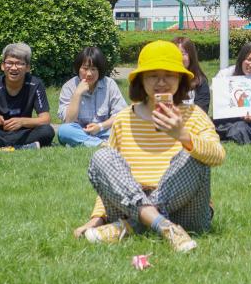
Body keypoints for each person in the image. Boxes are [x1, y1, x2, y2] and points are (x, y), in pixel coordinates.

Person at [74, 40, 224, 253]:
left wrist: (183, 135)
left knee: (194, 153)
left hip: (187, 212)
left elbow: (218, 156)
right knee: (102, 157)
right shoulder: (124, 119)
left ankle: (131, 226)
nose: (161, 82)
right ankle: (164, 227)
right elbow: (110, 177)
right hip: (130, 203)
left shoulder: (194, 115)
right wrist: (97, 219)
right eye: (153, 75)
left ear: (180, 79)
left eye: (169, 75)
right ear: (141, 80)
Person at [56, 46, 127, 147]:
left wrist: (100, 126)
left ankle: (88, 143)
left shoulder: (109, 84)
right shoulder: (69, 87)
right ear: (78, 68)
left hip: (104, 130)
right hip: (80, 132)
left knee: (125, 127)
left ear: (100, 70)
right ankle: (102, 143)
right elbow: (69, 121)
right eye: (85, 69)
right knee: (64, 130)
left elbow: (120, 114)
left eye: (93, 69)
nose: (89, 74)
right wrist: (77, 94)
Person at [173, 36, 210, 113]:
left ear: (191, 56)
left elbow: (202, 112)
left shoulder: (200, 82)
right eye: (175, 53)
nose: (179, 57)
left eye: (183, 53)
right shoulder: (165, 82)